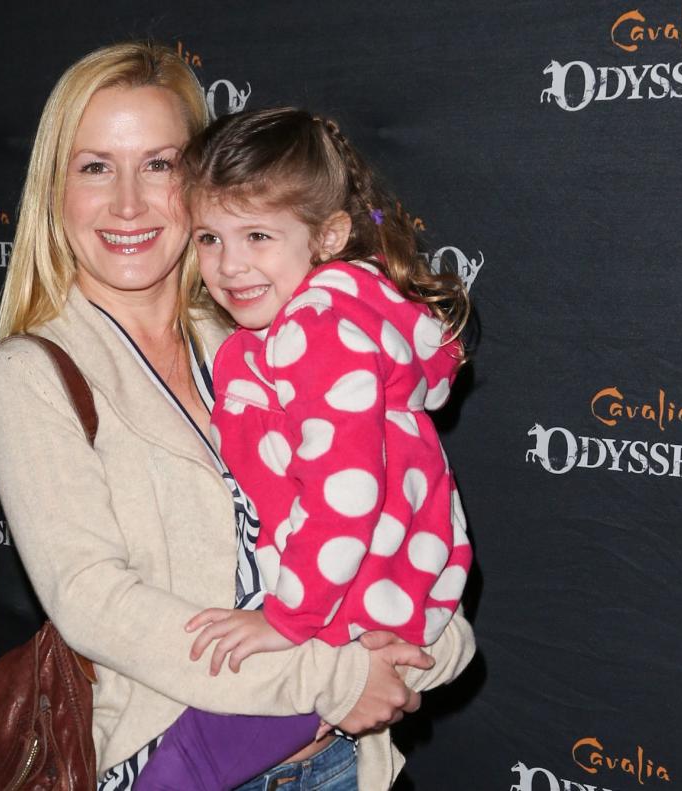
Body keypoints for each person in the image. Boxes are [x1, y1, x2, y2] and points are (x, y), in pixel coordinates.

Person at [0, 42, 476, 791]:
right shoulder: (34, 373)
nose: (127, 203)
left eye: (159, 165)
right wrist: (334, 677)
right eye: (94, 166)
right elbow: (96, 602)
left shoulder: (268, 334)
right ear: (55, 188)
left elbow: (396, 498)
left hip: (346, 764)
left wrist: (433, 642)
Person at [131, 108, 474, 791]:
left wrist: (286, 621)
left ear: (329, 235)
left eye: (258, 235)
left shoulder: (317, 330)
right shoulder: (335, 315)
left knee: (179, 769)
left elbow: (345, 496)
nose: (230, 266)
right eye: (209, 238)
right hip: (375, 593)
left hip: (344, 601)